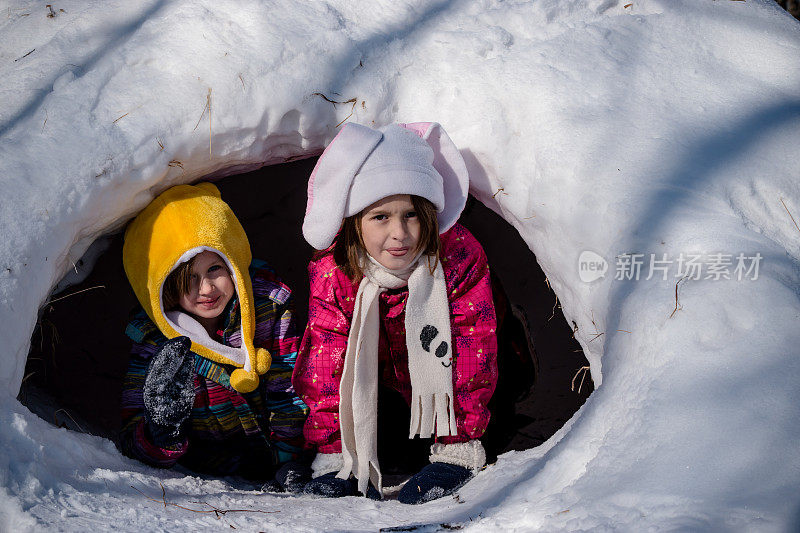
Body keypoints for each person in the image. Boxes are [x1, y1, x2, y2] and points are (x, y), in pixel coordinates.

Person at [293, 122, 498, 504]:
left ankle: (458, 446)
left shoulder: (455, 258)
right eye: (380, 217)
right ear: (354, 222)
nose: (400, 233)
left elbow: (473, 347)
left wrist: (459, 447)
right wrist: (333, 456)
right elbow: (326, 364)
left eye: (411, 215)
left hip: (451, 387)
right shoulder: (334, 271)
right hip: (380, 382)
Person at [117, 182, 309, 491]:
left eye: (215, 269)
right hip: (204, 467)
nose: (206, 289)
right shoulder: (152, 341)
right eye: (188, 278)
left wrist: (289, 460)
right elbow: (131, 433)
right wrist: (160, 432)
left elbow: (289, 390)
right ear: (163, 285)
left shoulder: (268, 310)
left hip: (276, 455)